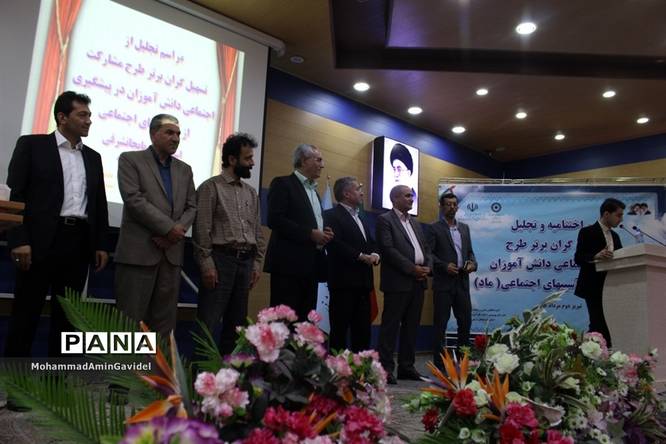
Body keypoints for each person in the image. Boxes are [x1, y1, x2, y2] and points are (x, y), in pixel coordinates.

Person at [5, 91, 109, 357]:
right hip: (38, 243)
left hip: (78, 244)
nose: (88, 121)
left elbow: (98, 203)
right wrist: (19, 239)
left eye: (89, 115)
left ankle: (57, 380)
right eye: (82, 115)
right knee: (25, 316)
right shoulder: (32, 145)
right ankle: (15, 381)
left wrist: (100, 244)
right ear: (62, 118)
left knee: (67, 322)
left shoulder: (93, 157)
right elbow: (16, 196)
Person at [114, 114, 196, 335]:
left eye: (178, 134)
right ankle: (127, 361)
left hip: (171, 256)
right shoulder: (130, 159)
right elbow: (134, 200)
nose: (175, 138)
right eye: (169, 132)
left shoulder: (184, 169)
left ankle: (157, 361)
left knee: (163, 326)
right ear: (153, 134)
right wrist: (169, 229)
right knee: (129, 324)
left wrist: (175, 233)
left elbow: (192, 207)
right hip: (138, 254)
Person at [193, 133, 266, 355]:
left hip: (245, 263)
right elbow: (201, 230)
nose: (252, 163)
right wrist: (207, 265)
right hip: (219, 261)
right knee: (208, 324)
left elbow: (257, 233)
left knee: (237, 327)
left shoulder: (251, 193)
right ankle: (200, 375)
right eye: (248, 158)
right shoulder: (210, 187)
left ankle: (230, 374)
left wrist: (257, 264)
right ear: (232, 160)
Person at [264, 144, 334, 321]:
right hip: (288, 267)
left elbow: (310, 222)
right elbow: (274, 220)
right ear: (303, 161)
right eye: (318, 160)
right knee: (283, 323)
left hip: (311, 267)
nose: (323, 165)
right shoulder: (282, 184)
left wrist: (324, 233)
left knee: (304, 325)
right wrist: (310, 233)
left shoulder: (314, 192)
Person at [376, 185, 431, 384]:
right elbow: (388, 249)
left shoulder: (415, 222)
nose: (411, 199)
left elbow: (426, 249)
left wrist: (427, 268)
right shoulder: (385, 220)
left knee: (411, 327)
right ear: (395, 198)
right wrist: (412, 268)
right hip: (398, 282)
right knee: (390, 327)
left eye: (412, 196)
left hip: (419, 281)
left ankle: (406, 367)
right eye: (407, 196)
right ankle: (385, 369)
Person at [323, 177, 379, 352]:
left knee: (362, 333)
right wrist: (360, 256)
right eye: (358, 189)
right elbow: (335, 244)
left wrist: (375, 254)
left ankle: (360, 367)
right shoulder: (330, 215)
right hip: (343, 284)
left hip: (364, 284)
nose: (362, 193)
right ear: (346, 194)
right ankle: (337, 368)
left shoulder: (360, 217)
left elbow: (370, 243)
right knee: (339, 332)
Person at [427, 193, 477, 364]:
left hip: (462, 282)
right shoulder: (434, 228)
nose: (452, 207)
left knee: (465, 323)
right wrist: (443, 266)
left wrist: (473, 264)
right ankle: (440, 364)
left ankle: (463, 362)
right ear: (441, 207)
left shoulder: (465, 228)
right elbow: (429, 254)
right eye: (448, 204)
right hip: (443, 283)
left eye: (454, 204)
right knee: (440, 325)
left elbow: (470, 252)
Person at [574, 198, 625, 347]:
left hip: (613, 286)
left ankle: (608, 352)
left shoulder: (615, 236)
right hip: (593, 287)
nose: (621, 219)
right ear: (606, 214)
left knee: (611, 324)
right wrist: (595, 256)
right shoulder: (587, 232)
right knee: (598, 323)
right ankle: (594, 353)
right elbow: (578, 258)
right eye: (619, 215)